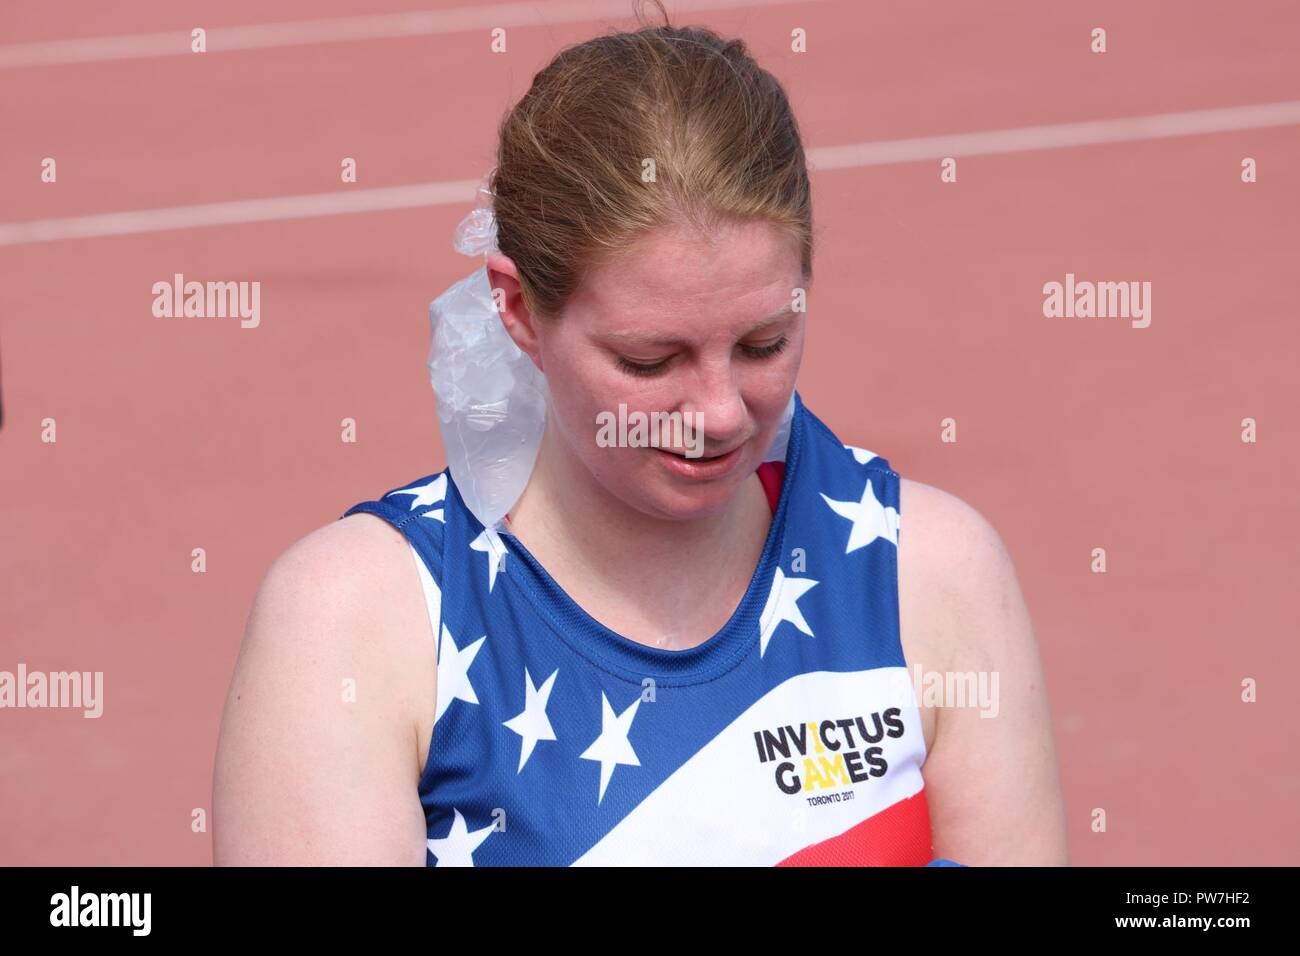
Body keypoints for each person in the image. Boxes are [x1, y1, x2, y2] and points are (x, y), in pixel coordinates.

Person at [212, 8, 1067, 866]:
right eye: (650, 359)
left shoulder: (929, 574)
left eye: (764, 343)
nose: (722, 412)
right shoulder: (355, 622)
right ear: (517, 308)